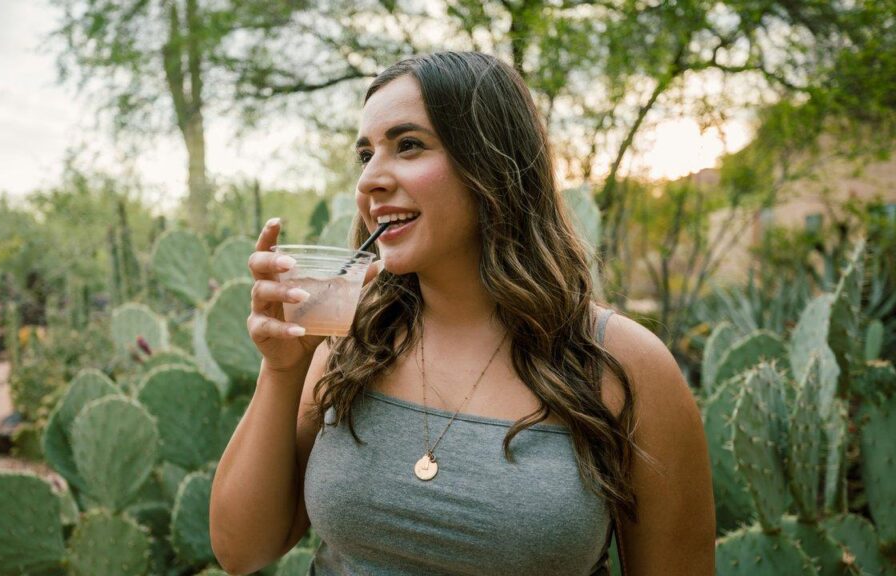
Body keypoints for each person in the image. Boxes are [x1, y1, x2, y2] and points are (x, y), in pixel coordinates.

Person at [210, 51, 715, 575]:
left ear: (491, 163)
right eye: (366, 155)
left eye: (409, 146)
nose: (370, 180)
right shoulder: (347, 343)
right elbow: (240, 551)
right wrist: (283, 369)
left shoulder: (624, 367)